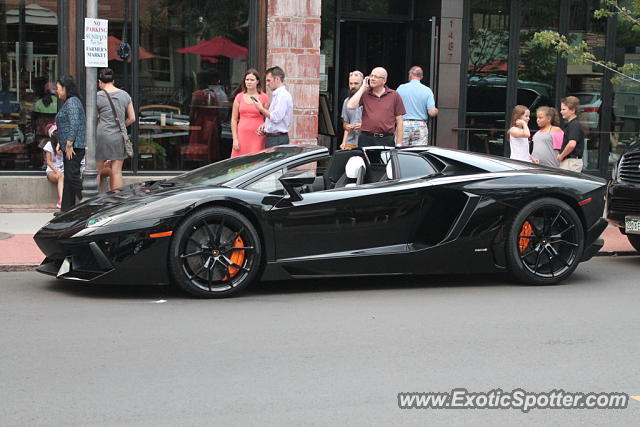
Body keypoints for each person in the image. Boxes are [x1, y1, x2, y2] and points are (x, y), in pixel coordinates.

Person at [96, 68, 135, 190]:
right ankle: (117, 201)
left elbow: (92, 119)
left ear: (100, 82)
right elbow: (132, 118)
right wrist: (122, 125)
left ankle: (93, 201)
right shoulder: (125, 95)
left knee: (96, 171)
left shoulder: (97, 96)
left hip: (101, 136)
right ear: (113, 80)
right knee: (117, 171)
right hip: (118, 136)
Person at [347, 67, 405, 147]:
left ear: (384, 80)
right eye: (371, 76)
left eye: (376, 77)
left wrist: (399, 143)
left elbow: (399, 121)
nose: (372, 79)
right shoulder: (365, 93)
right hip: (366, 138)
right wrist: (363, 87)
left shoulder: (394, 95)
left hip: (386, 138)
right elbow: (350, 106)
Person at [55, 75, 85, 213]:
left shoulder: (72, 102)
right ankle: (66, 210)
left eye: (58, 88)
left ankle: (89, 205)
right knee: (68, 178)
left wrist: (68, 144)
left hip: (73, 147)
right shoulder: (71, 101)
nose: (57, 91)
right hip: (71, 146)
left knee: (72, 177)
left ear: (65, 88)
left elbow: (74, 124)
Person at [230, 69, 269, 157]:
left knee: (255, 160)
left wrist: (265, 127)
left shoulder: (264, 97)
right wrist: (235, 139)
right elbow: (234, 119)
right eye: (247, 80)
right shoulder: (239, 97)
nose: (249, 82)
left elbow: (269, 118)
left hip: (257, 135)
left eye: (252, 80)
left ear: (257, 81)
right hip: (241, 135)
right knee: (237, 162)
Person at [396, 66, 438, 146]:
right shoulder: (427, 90)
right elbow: (432, 113)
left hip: (403, 124)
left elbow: (393, 107)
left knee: (400, 153)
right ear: (421, 77)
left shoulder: (401, 88)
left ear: (410, 75)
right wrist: (436, 110)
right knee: (418, 153)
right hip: (420, 126)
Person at [254, 66, 293, 147]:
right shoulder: (277, 95)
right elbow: (274, 118)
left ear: (277, 79)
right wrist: (265, 126)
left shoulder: (282, 95)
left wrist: (261, 108)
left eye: (269, 80)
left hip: (277, 139)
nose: (267, 84)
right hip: (274, 138)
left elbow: (276, 117)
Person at [557, 96, 585, 172]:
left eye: (563, 109)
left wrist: (561, 156)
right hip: (570, 161)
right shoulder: (572, 124)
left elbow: (572, 144)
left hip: (571, 162)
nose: (561, 111)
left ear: (572, 110)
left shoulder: (574, 125)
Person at [340, 70, 363, 149]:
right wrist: (347, 126)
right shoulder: (346, 101)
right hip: (350, 142)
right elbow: (345, 122)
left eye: (356, 83)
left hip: (365, 141)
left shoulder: (369, 100)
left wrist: (363, 126)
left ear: (362, 84)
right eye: (351, 83)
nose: (353, 86)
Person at [43, 123, 63, 209]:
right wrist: (57, 171)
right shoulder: (48, 145)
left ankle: (65, 200)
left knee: (64, 177)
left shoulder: (64, 144)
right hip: (52, 171)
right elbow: (49, 162)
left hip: (63, 171)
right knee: (61, 176)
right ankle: (61, 200)